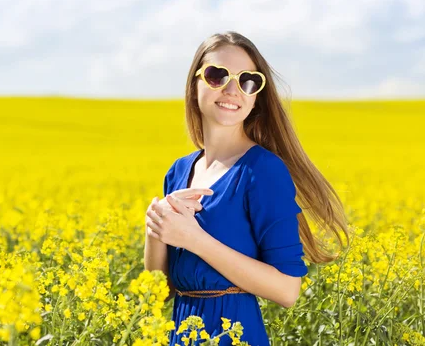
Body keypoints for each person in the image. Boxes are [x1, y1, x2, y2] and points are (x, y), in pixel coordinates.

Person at [143, 31, 350, 345]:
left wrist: (194, 239)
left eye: (248, 81)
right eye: (217, 76)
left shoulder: (263, 171)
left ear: (256, 97)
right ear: (194, 84)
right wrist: (156, 229)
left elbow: (286, 290)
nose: (232, 90)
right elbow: (159, 291)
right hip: (180, 333)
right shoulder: (178, 172)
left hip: (233, 334)